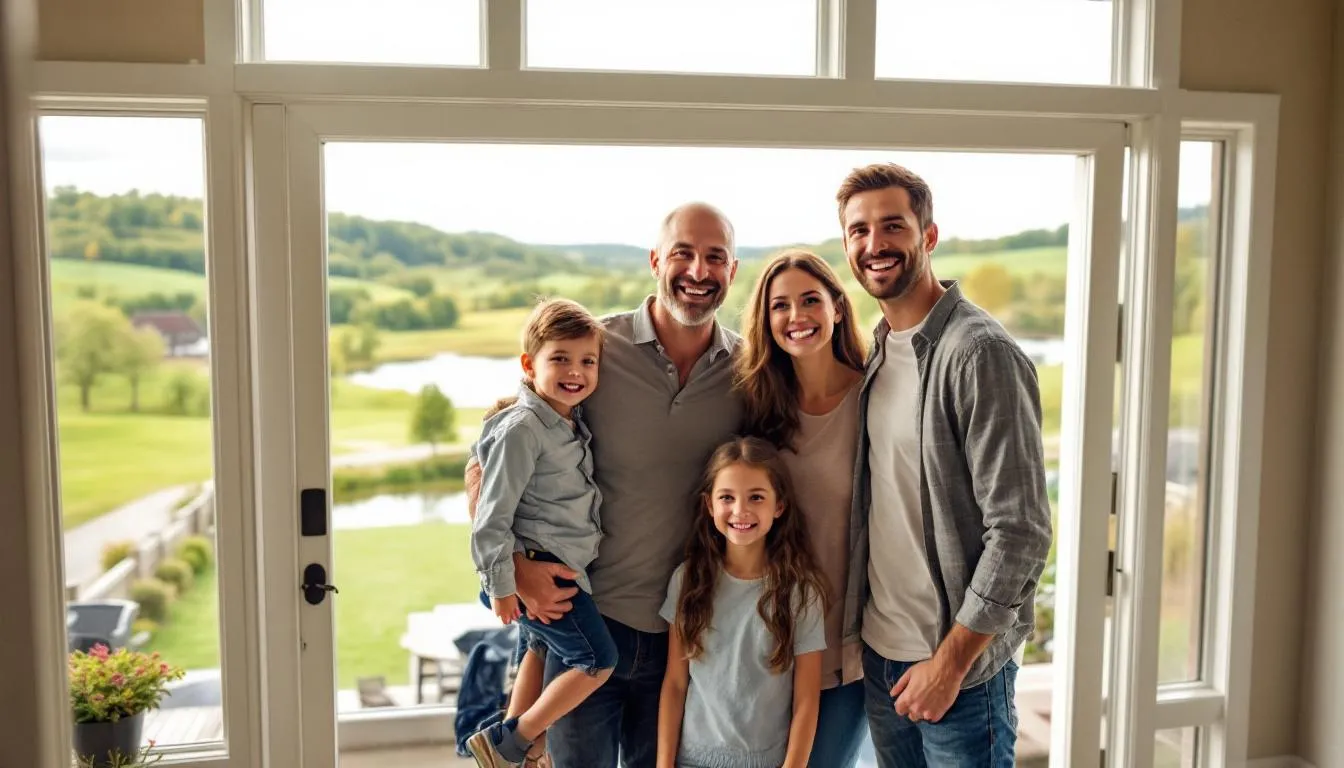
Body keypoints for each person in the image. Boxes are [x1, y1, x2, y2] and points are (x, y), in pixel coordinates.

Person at [467, 202, 745, 768]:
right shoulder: (596, 349)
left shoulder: (748, 367)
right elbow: (487, 463)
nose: (697, 271)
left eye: (715, 257)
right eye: (682, 254)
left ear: (732, 271)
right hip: (582, 616)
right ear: (654, 261)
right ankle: (511, 743)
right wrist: (515, 568)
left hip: (683, 634)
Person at [835, 162, 1053, 767]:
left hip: (957, 669)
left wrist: (950, 665)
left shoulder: (980, 354)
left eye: (892, 226)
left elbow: (1021, 532)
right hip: (883, 655)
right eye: (858, 231)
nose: (874, 244)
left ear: (928, 236)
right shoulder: (878, 349)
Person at [466, 298, 616, 767]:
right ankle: (512, 739)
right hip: (541, 574)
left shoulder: (567, 421)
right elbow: (491, 517)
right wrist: (503, 587)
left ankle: (516, 757)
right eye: (561, 359)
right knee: (596, 661)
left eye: (587, 361)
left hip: (558, 565)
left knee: (536, 646)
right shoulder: (525, 429)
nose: (576, 371)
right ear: (530, 365)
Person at [734, 249, 870, 766]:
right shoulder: (756, 403)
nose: (796, 317)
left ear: (838, 306)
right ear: (765, 321)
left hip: (848, 642)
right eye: (780, 306)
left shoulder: (873, 396)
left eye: (810, 300)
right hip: (767, 638)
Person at [657, 436, 827, 768]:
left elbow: (806, 699)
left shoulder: (801, 592)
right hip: (691, 759)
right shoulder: (687, 580)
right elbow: (675, 683)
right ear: (709, 505)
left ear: (779, 506)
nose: (740, 510)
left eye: (756, 497)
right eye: (727, 497)